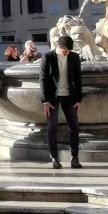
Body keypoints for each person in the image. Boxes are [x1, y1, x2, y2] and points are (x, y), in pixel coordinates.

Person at [40, 33, 83, 170]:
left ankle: (74, 158)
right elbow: (43, 80)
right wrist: (45, 100)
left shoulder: (74, 57)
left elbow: (78, 79)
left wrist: (78, 99)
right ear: (59, 47)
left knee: (74, 127)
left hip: (69, 97)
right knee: (52, 127)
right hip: (52, 98)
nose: (67, 53)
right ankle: (54, 158)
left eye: (69, 51)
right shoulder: (47, 57)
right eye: (65, 50)